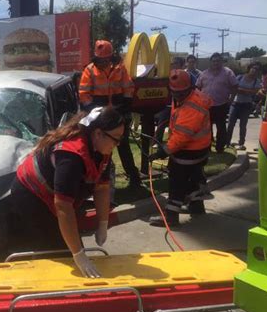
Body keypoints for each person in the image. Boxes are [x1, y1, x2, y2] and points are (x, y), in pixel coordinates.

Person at [12, 107, 124, 278]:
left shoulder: (102, 150)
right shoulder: (71, 156)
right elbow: (63, 207)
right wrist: (78, 255)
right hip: (30, 195)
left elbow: (102, 188)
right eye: (115, 139)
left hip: (53, 194)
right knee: (57, 251)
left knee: (68, 245)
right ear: (98, 133)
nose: (117, 144)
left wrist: (103, 224)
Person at [148, 70, 213, 227]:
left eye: (181, 92)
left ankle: (171, 217)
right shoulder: (188, 97)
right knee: (194, 177)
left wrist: (162, 151)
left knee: (177, 181)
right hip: (200, 148)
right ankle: (197, 207)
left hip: (189, 151)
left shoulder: (191, 107)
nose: (177, 95)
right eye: (174, 92)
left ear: (190, 88)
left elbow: (181, 137)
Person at [79, 40, 141, 188]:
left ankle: (134, 178)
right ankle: (98, 181)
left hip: (118, 112)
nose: (103, 62)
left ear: (111, 57)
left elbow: (128, 87)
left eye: (106, 59)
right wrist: (95, 111)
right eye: (101, 59)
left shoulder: (120, 69)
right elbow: (84, 94)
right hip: (100, 116)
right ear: (96, 58)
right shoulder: (89, 70)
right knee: (100, 149)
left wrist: (125, 106)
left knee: (123, 146)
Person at [196, 53, 239, 153]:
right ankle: (207, 146)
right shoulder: (204, 73)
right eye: (214, 61)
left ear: (221, 62)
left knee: (221, 127)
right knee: (206, 127)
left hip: (221, 104)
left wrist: (231, 99)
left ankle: (220, 147)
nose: (216, 63)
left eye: (218, 61)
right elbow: (197, 87)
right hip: (205, 106)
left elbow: (235, 86)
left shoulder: (228, 72)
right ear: (210, 62)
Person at [226, 62, 262, 150]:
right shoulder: (240, 77)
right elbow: (234, 88)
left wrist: (241, 90)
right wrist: (247, 91)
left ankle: (241, 143)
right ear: (249, 68)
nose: (254, 70)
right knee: (230, 124)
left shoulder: (257, 81)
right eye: (253, 68)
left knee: (243, 125)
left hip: (246, 105)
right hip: (235, 104)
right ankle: (227, 142)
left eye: (257, 69)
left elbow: (254, 92)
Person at [155, 56, 185, 144]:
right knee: (161, 124)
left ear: (181, 65)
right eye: (172, 63)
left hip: (181, 105)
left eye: (176, 63)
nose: (173, 65)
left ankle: (175, 142)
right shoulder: (167, 75)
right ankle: (157, 142)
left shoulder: (186, 76)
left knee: (178, 125)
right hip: (167, 104)